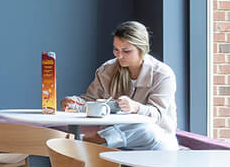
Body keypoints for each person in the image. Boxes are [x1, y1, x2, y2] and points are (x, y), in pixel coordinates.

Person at [62, 20, 179, 149]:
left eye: (126, 51)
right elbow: (91, 100)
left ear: (142, 49)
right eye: (116, 49)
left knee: (147, 129)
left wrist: (136, 107)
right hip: (116, 142)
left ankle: (96, 139)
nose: (119, 55)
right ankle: (99, 141)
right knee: (112, 140)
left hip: (155, 142)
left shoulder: (162, 74)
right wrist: (74, 102)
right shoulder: (107, 70)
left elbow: (158, 115)